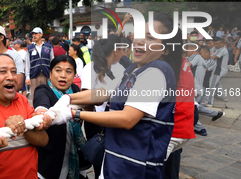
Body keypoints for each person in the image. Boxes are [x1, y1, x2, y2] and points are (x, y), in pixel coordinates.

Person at [51, 13, 182, 179]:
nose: (140, 41)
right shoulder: (135, 70)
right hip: (119, 161)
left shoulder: (155, 72)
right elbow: (105, 93)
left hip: (135, 169)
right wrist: (69, 98)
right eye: (141, 34)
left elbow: (128, 118)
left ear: (166, 49)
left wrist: (74, 113)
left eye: (150, 38)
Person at [80, 34, 126, 179]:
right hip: (95, 121)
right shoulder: (91, 68)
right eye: (121, 49)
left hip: (113, 120)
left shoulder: (119, 68)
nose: (124, 51)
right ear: (114, 51)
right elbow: (87, 96)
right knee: (99, 159)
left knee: (112, 162)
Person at [33, 55, 87, 179]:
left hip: (75, 152)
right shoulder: (43, 90)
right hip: (52, 157)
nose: (63, 75)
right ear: (50, 73)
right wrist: (42, 114)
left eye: (68, 72)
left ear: (74, 75)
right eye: (58, 70)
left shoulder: (75, 90)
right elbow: (41, 107)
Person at [25, 27, 54, 99]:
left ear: (41, 34)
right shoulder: (30, 48)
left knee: (46, 95)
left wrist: (52, 74)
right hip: (34, 75)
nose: (34, 35)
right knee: (35, 95)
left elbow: (52, 61)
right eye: (33, 34)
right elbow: (27, 63)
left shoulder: (49, 47)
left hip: (46, 75)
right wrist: (27, 77)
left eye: (36, 33)